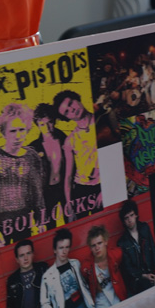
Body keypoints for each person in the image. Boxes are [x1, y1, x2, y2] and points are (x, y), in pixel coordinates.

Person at [0, 103, 45, 247]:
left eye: (22, 130)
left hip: (25, 222)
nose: (18, 136)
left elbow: (38, 195)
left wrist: (41, 221)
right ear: (4, 132)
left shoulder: (32, 156)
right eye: (13, 131)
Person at [53, 90, 100, 220]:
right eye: (66, 112)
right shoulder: (70, 141)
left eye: (70, 103)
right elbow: (68, 176)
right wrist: (69, 205)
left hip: (102, 185)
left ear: (77, 99)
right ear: (67, 118)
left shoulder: (101, 120)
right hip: (81, 190)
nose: (72, 110)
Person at [2, 239, 57, 308]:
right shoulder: (13, 280)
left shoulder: (42, 269)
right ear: (17, 259)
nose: (25, 258)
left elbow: (56, 293)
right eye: (21, 255)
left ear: (33, 254)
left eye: (28, 253)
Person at [40, 228, 94, 308]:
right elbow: (44, 303)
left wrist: (90, 303)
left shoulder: (76, 264)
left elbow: (85, 285)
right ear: (55, 250)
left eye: (67, 247)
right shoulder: (48, 276)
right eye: (61, 248)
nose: (64, 251)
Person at [29, 103, 67, 223]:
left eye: (49, 122)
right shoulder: (34, 147)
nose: (46, 127)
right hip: (47, 191)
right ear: (37, 126)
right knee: (49, 223)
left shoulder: (64, 138)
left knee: (71, 217)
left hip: (64, 187)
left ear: (54, 121)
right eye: (42, 124)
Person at [117, 199, 155, 295]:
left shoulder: (145, 228)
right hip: (139, 279)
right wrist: (145, 276)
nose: (130, 220)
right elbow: (128, 268)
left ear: (136, 215)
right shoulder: (122, 242)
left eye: (131, 215)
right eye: (126, 218)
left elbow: (153, 250)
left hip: (153, 272)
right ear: (123, 221)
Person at [80, 225, 127, 308]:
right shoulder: (86, 266)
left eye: (99, 243)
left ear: (106, 241)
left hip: (117, 296)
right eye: (93, 245)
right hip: (101, 301)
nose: (97, 248)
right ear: (90, 248)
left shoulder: (116, 254)